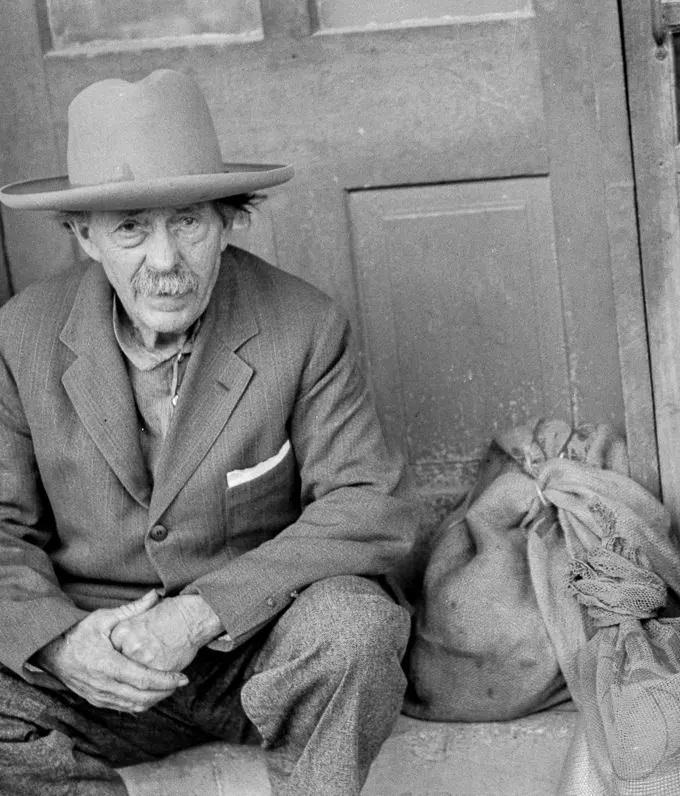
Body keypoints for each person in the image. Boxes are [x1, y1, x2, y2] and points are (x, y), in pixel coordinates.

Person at [0, 69, 413, 795]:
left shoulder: (301, 324)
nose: (165, 262)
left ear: (228, 220)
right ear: (85, 238)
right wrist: (63, 646)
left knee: (358, 630)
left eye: (188, 221)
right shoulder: (21, 335)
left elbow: (367, 504)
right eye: (130, 228)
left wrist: (199, 614)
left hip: (255, 652)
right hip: (98, 666)